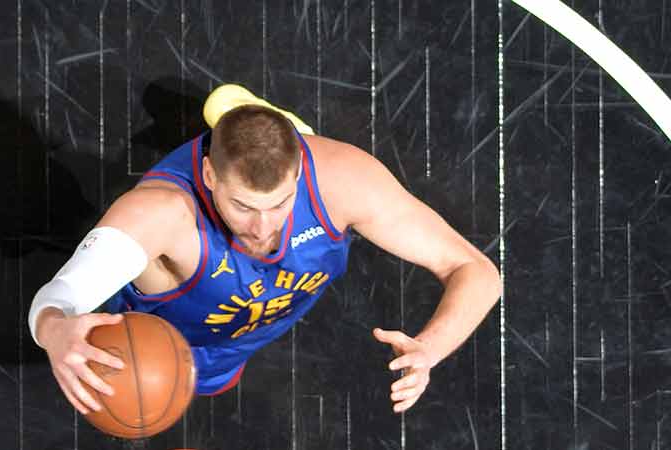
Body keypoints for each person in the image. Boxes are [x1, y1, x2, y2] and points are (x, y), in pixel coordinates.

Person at [27, 85, 503, 417]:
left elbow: (474, 269)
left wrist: (430, 349)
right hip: (164, 337)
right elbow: (60, 296)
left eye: (279, 204)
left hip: (243, 328)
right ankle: (256, 126)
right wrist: (56, 331)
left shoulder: (343, 179)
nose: (262, 228)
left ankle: (272, 126)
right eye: (243, 206)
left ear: (299, 174)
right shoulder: (162, 214)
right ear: (210, 176)